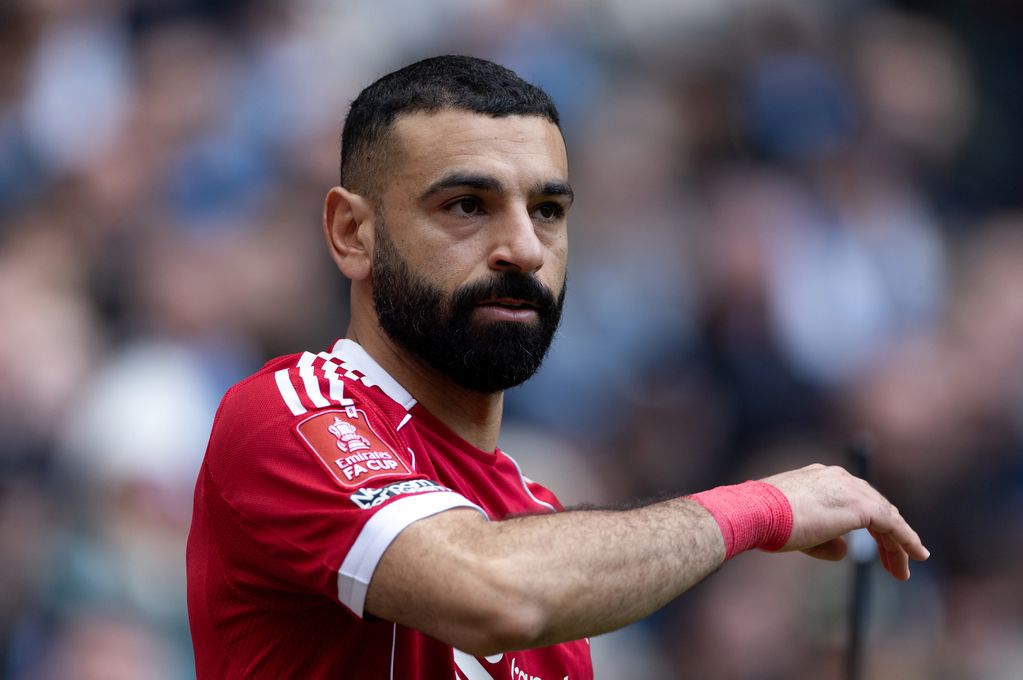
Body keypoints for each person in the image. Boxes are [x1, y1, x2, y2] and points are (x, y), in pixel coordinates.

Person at [185, 55, 929, 679]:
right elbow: (490, 592)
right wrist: (763, 507)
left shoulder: (538, 530)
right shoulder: (289, 412)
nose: (525, 249)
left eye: (547, 210)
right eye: (466, 206)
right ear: (353, 233)